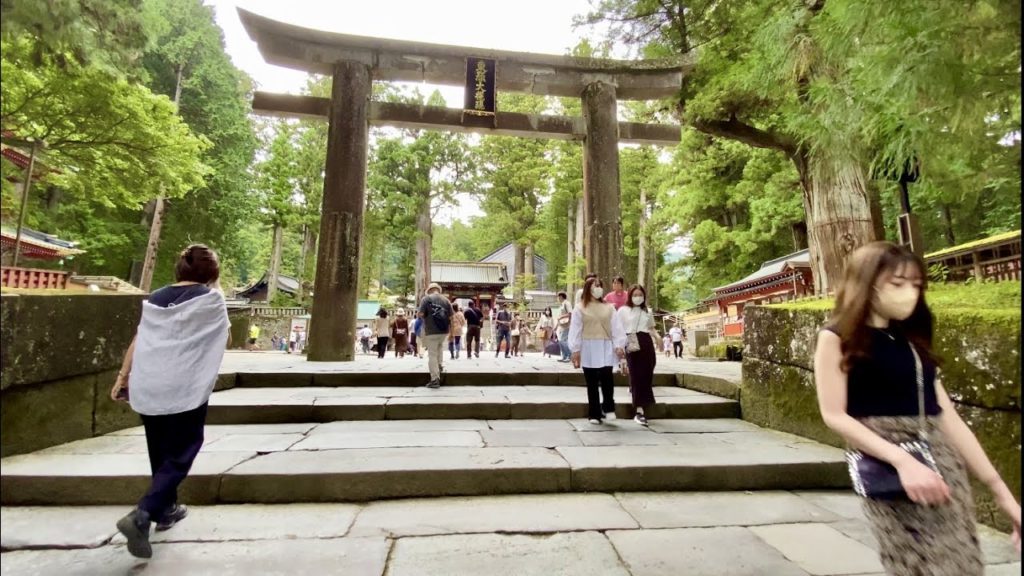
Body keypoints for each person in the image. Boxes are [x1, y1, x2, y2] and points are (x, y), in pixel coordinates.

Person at [813, 241, 1021, 575]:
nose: (909, 293)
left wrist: (1002, 493)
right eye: (897, 284)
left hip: (940, 460)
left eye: (916, 285)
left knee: (962, 560)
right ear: (866, 283)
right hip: (890, 465)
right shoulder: (835, 338)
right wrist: (903, 461)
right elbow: (835, 415)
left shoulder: (911, 341)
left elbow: (947, 415)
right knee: (917, 562)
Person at [109, 244, 230, 559]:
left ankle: (167, 509)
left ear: (180, 269)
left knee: (159, 449)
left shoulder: (156, 300)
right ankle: (144, 513)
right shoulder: (212, 300)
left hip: (149, 382)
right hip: (185, 385)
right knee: (181, 451)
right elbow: (224, 337)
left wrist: (123, 377)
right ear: (212, 274)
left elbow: (140, 338)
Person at [569, 277, 626, 425]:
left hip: (606, 345)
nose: (598, 288)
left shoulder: (609, 307)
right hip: (588, 346)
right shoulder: (580, 307)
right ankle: (594, 413)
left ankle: (609, 408)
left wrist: (619, 345)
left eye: (600, 286)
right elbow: (576, 329)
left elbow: (616, 327)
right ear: (588, 288)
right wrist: (575, 349)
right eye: (595, 286)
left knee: (607, 378)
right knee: (592, 381)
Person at [617, 284, 659, 426]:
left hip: (646, 341)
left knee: (647, 371)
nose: (637, 297)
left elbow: (651, 328)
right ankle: (639, 411)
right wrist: (620, 349)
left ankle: (638, 394)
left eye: (640, 295)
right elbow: (619, 329)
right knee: (635, 373)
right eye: (634, 295)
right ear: (629, 296)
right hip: (631, 340)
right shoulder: (623, 311)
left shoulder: (647, 310)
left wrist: (658, 338)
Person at [419, 283, 453, 388]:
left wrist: (425, 317)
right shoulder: (446, 300)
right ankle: (439, 366)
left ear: (429, 290)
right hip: (443, 331)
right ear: (438, 290)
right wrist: (451, 332)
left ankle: (434, 379)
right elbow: (452, 317)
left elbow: (420, 314)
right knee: (440, 347)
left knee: (432, 354)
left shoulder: (426, 299)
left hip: (431, 330)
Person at [555, 292, 573, 362]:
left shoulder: (567, 303)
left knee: (563, 340)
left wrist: (561, 316)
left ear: (561, 297)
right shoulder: (562, 305)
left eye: (558, 297)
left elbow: (570, 313)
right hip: (562, 325)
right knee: (561, 340)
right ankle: (564, 356)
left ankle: (568, 356)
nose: (558, 298)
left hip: (567, 325)